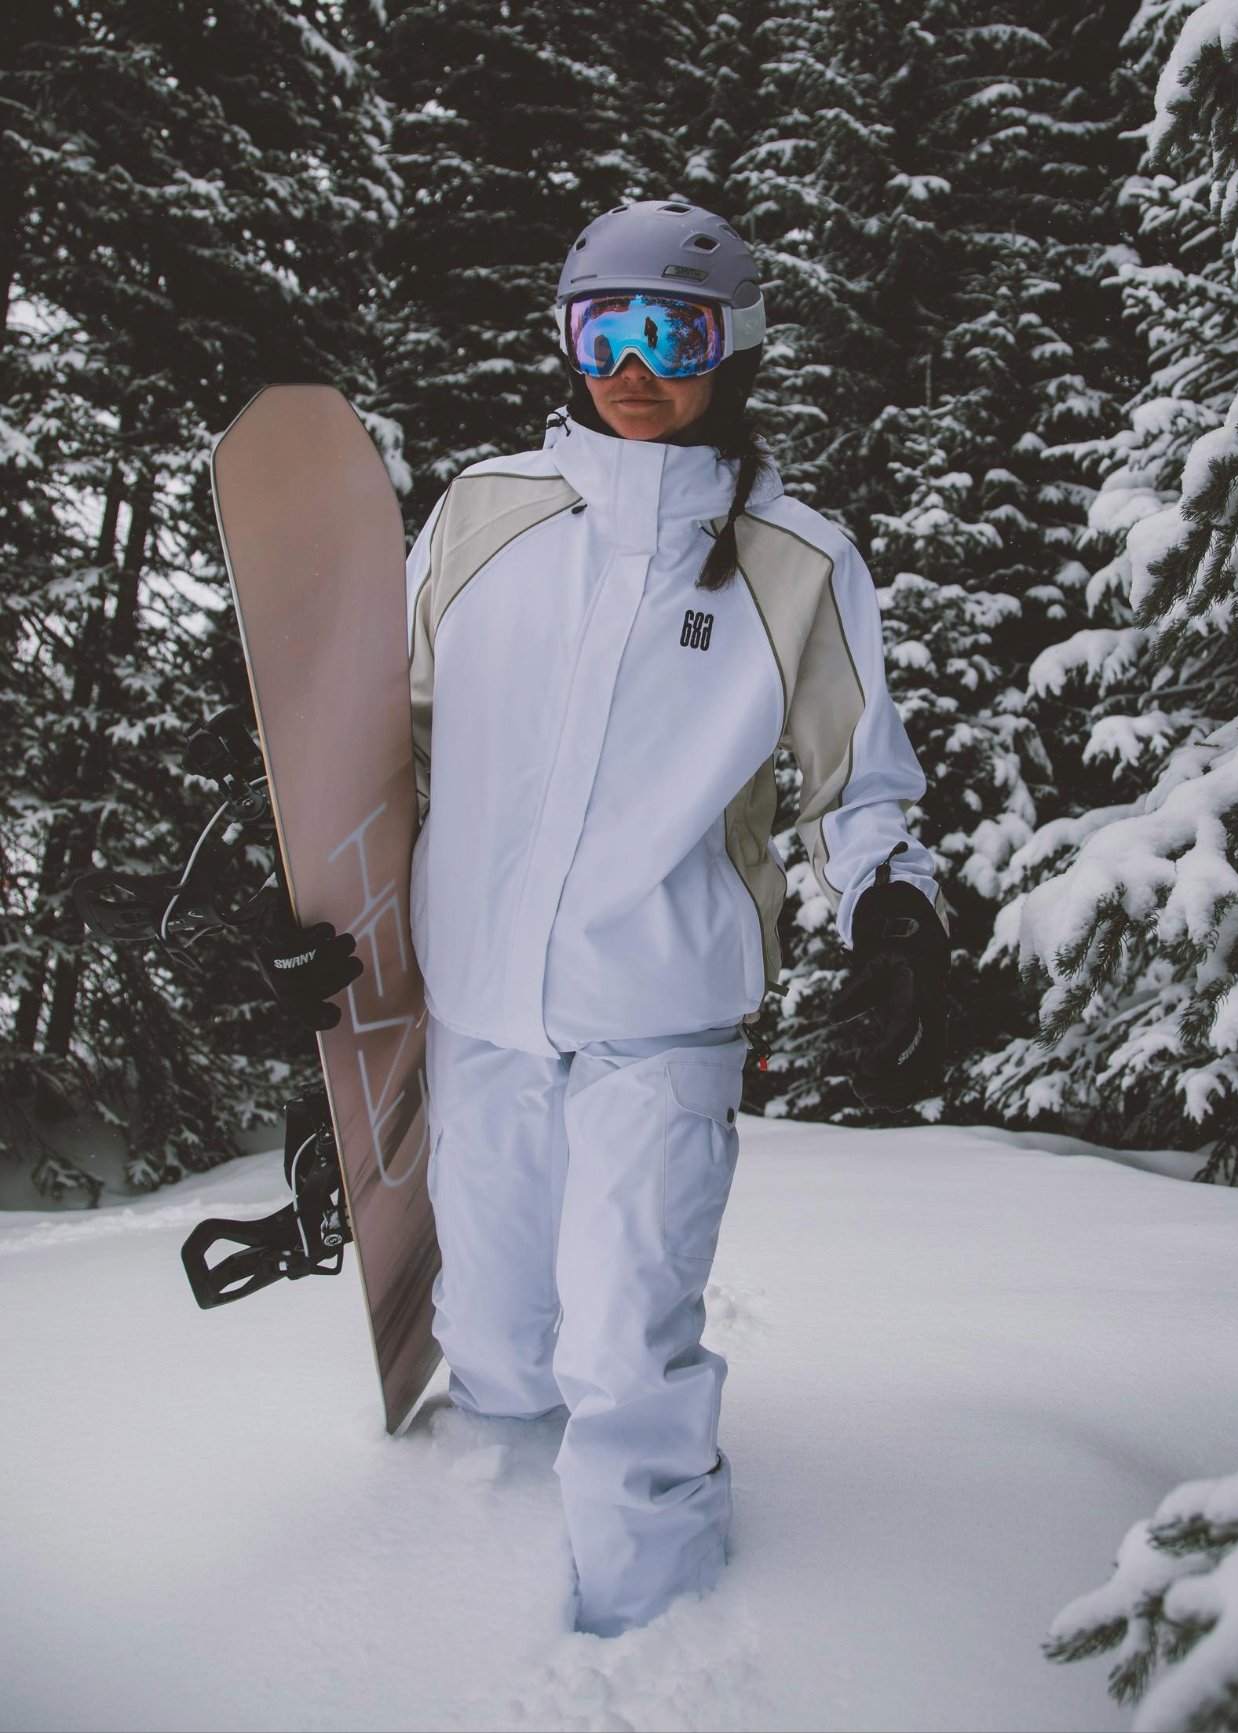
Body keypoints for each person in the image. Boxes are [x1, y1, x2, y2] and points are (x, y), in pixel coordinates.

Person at [283, 199, 951, 1637]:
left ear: (737, 348)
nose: (632, 363)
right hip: (480, 1012)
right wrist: (319, 899)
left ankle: (653, 1627)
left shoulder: (797, 559)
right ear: (568, 336)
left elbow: (858, 781)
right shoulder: (484, 512)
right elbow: (386, 731)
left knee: (627, 1342)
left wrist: (893, 905)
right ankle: (469, 1573)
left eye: (673, 332)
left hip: (664, 1017)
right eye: (605, 329)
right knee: (499, 1338)